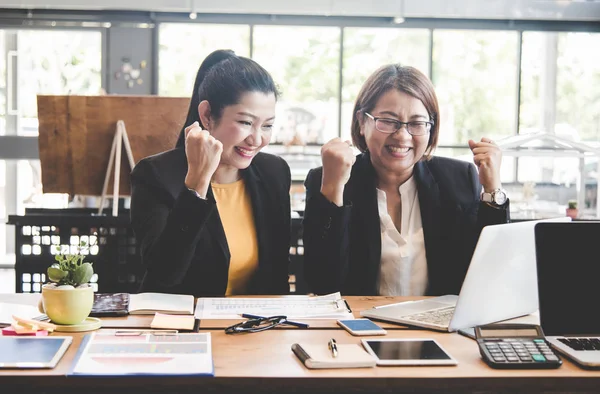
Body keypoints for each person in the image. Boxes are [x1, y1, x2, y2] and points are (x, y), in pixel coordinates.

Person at [302, 64, 510, 297]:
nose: (402, 136)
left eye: (416, 123)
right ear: (362, 121)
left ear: (431, 127)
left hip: (438, 329)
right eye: (388, 121)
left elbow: (493, 273)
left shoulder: (458, 179)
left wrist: (493, 189)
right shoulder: (331, 178)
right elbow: (322, 283)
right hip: (357, 328)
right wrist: (333, 189)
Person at [130, 49, 291, 297]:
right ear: (206, 115)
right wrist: (197, 180)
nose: (257, 139)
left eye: (267, 125)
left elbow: (277, 275)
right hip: (181, 327)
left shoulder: (274, 173)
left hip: (252, 327)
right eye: (245, 122)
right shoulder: (156, 175)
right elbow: (165, 273)